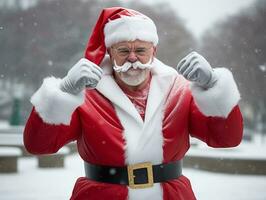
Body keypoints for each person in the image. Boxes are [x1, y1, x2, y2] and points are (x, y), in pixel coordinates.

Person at [23, 7, 243, 200]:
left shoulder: (180, 90)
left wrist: (213, 84)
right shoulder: (85, 95)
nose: (132, 58)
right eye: (123, 51)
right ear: (110, 53)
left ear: (153, 52)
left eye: (140, 50)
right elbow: (38, 145)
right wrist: (63, 92)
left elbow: (227, 139)